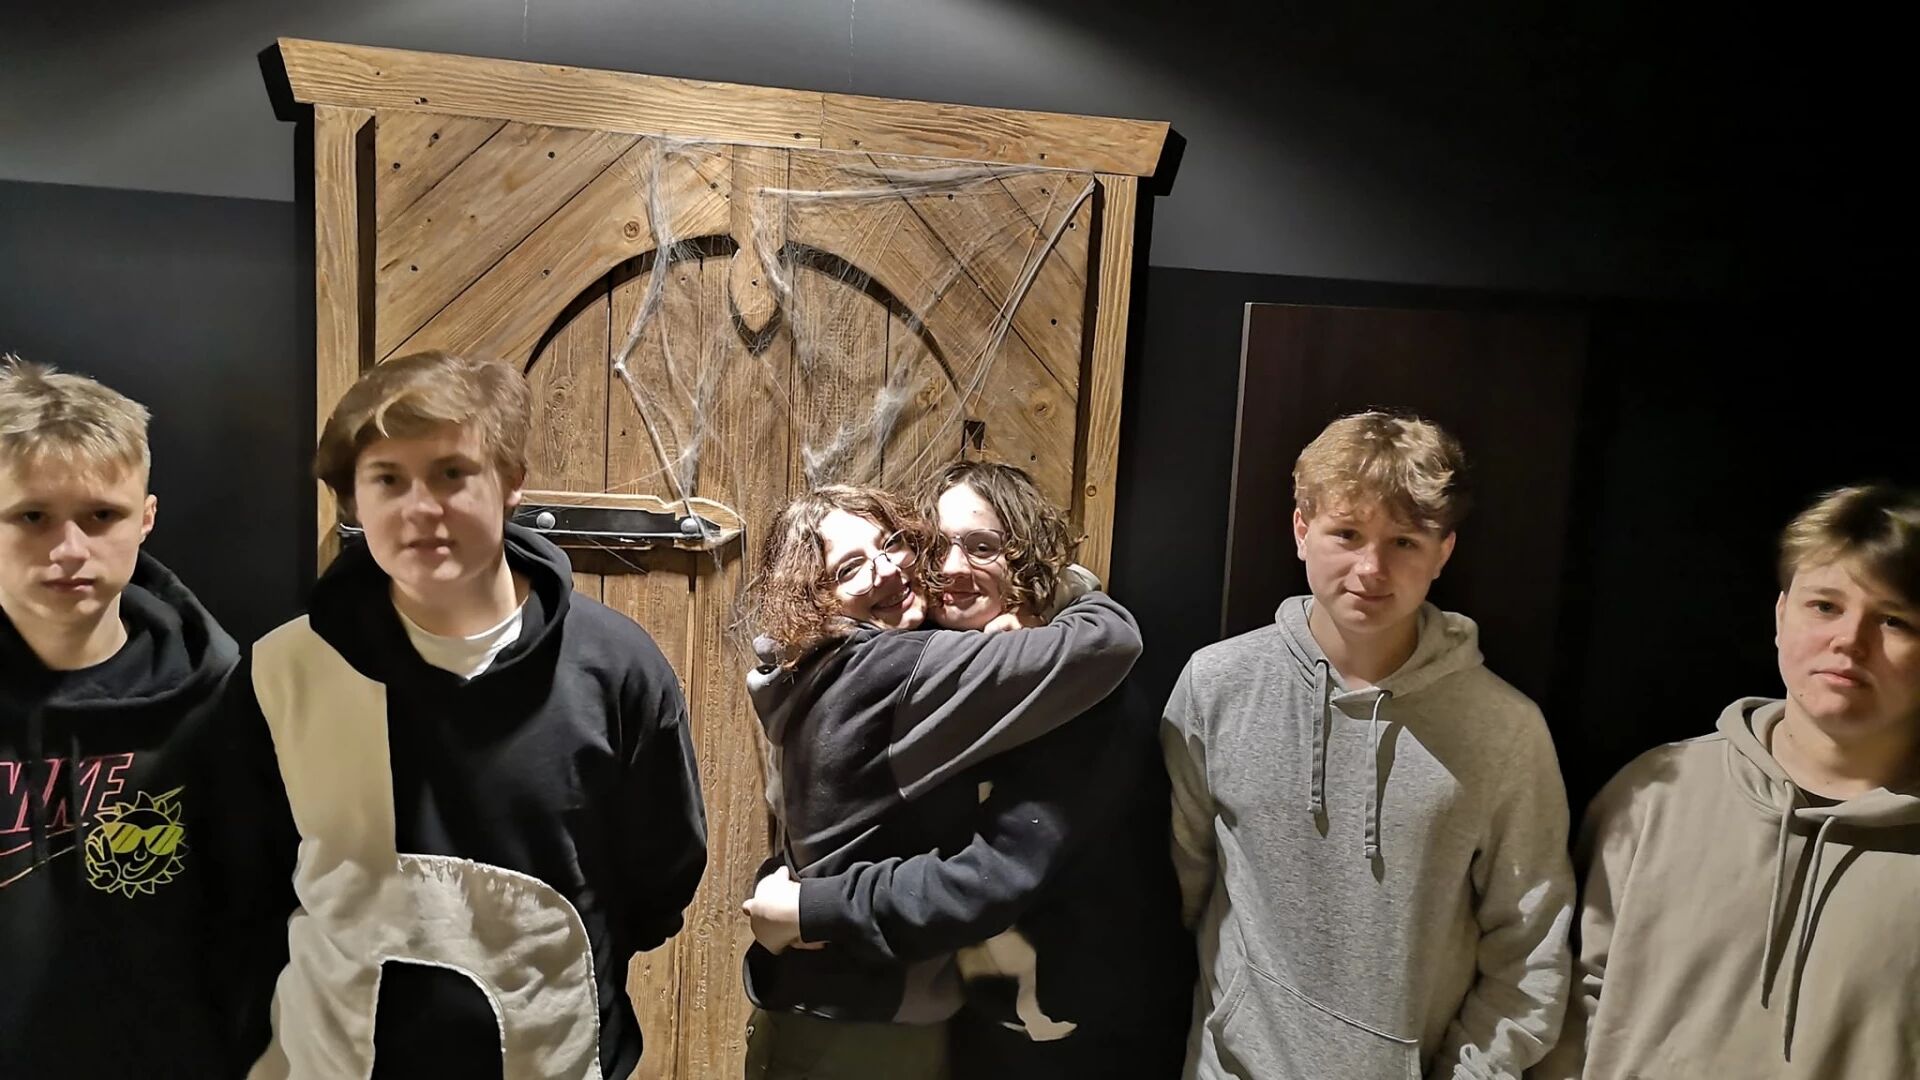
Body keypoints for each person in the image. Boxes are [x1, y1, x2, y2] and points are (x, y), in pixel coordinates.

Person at [235, 350, 707, 1079]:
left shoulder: (614, 668)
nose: (421, 508)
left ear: (510, 482)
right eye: (388, 479)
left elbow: (659, 877)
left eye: (452, 474)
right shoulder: (285, 671)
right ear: (354, 499)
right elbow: (240, 887)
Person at [744, 461, 1191, 1078]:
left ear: (1029, 558)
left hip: (1068, 1035)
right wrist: (809, 904)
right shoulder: (896, 669)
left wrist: (809, 905)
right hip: (885, 1016)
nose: (949, 568)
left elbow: (990, 877)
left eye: (981, 547)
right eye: (937, 547)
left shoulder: (1080, 701)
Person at [1164, 410, 1574, 1079]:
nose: (1372, 568)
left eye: (1405, 541)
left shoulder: (1505, 728)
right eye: (1347, 533)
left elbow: (1530, 947)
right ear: (1302, 530)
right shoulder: (1217, 686)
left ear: (1443, 552)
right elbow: (1182, 887)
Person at [1533, 483, 1920, 1080]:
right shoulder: (1656, 794)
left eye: (1894, 620)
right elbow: (1565, 1005)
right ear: (1781, 615)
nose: (1850, 640)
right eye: (1825, 606)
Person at [0, 357, 247, 1076]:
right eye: (32, 516)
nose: (69, 550)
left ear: (145, 519)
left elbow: (257, 920)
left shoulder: (226, 703)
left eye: (100, 516)